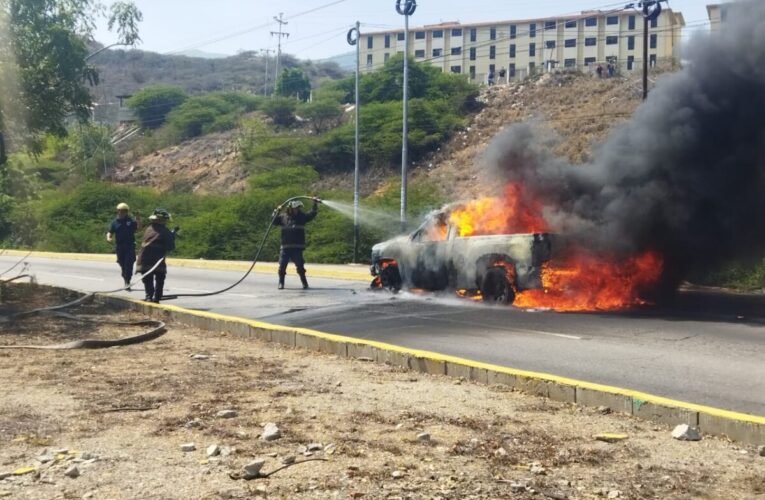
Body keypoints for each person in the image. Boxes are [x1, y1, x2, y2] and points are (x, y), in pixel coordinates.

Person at [272, 198, 320, 290]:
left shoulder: (301, 217)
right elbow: (273, 221)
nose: (297, 210)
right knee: (282, 266)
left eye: (298, 208)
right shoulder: (282, 217)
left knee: (300, 266)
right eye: (295, 208)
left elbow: (311, 214)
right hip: (285, 247)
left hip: (297, 248)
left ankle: (304, 283)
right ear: (290, 208)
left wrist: (315, 204)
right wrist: (276, 211)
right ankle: (281, 283)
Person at [136, 208, 176, 303]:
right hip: (157, 261)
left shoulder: (149, 229)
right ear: (161, 220)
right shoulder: (165, 231)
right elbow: (170, 247)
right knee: (160, 278)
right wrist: (172, 237)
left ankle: (149, 297)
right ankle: (157, 298)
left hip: (144, 260)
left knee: (148, 279)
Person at [106, 202, 141, 290]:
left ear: (127, 212)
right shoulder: (115, 222)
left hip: (129, 246)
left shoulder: (130, 221)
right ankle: (124, 275)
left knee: (128, 264)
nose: (122, 212)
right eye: (120, 211)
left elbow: (138, 228)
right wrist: (109, 237)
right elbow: (110, 231)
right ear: (118, 211)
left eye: (124, 211)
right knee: (121, 263)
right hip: (119, 246)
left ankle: (127, 282)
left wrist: (138, 219)